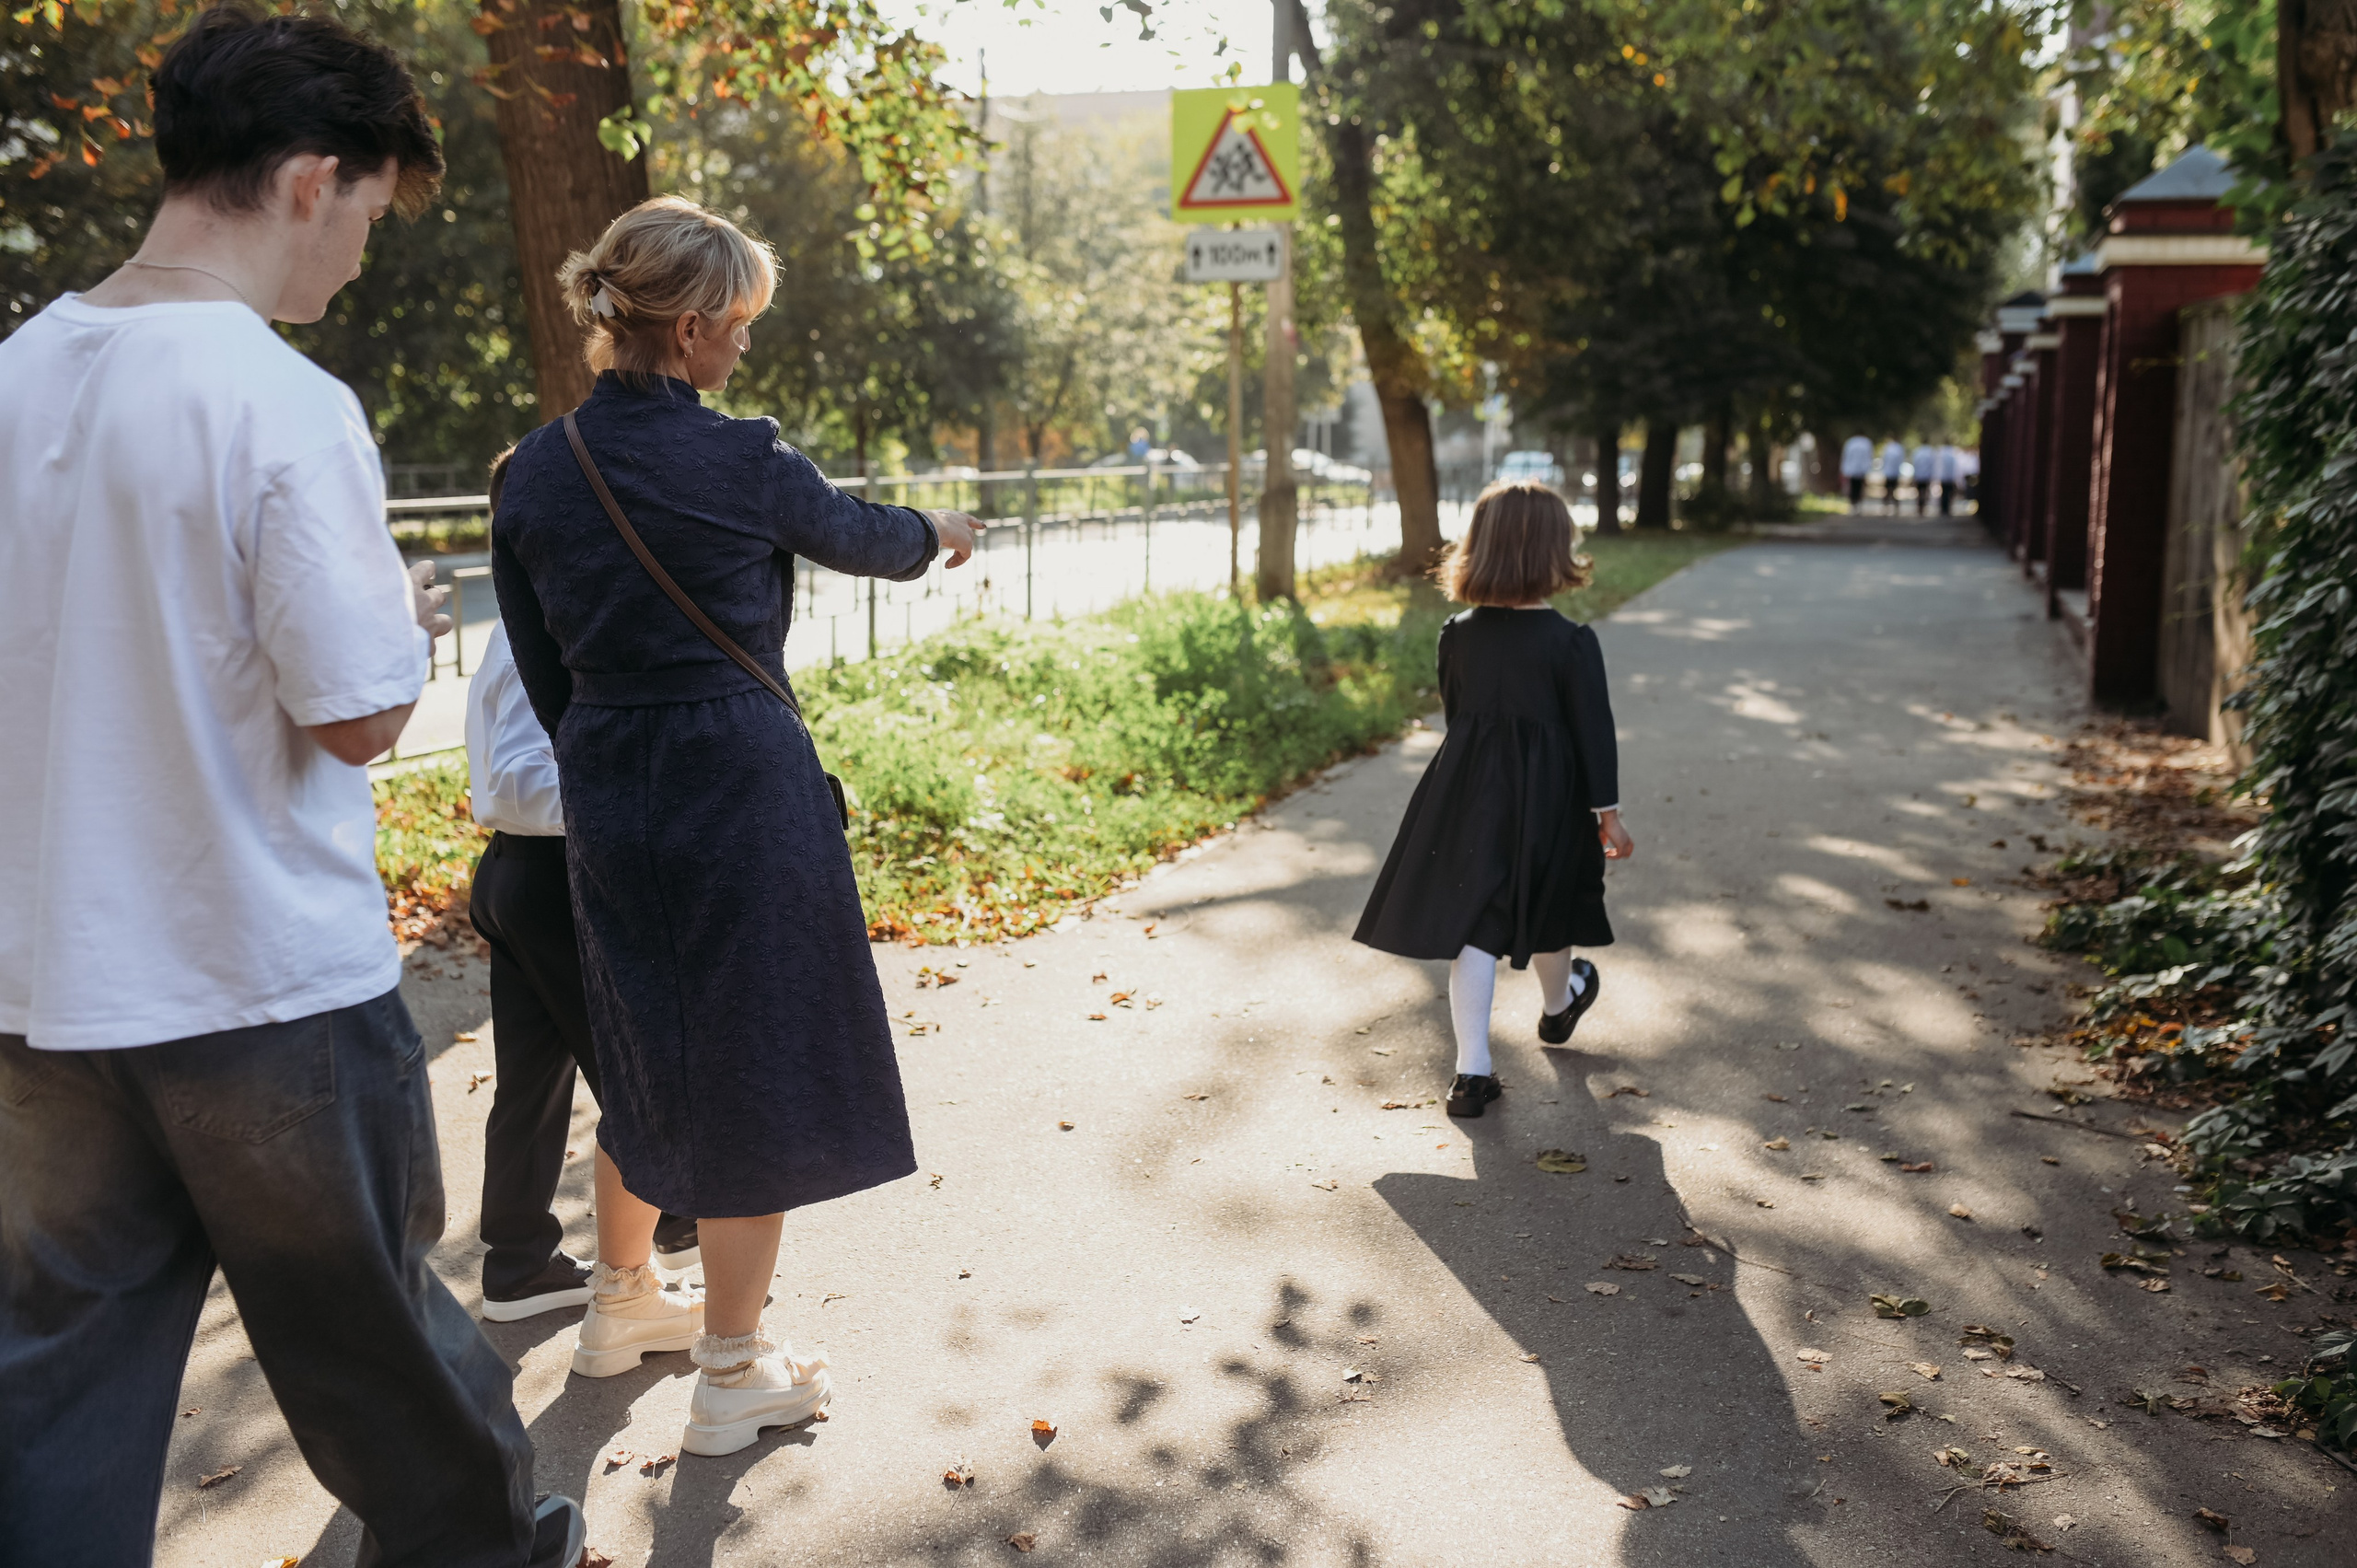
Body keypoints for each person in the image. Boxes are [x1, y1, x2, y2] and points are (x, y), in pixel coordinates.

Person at [0, 7, 581, 1564]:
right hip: (256, 985)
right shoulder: (275, 400)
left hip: (41, 990)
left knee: (53, 1387)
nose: (361, 257)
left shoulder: (13, 375)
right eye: (373, 218)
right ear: (311, 178)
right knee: (385, 1361)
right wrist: (406, 610)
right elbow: (357, 717)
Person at [493, 196, 986, 1458]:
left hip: (607, 772)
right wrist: (942, 532)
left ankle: (621, 1305)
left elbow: (541, 664)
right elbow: (869, 542)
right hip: (738, 775)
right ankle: (730, 1366)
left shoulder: (536, 470)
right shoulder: (745, 457)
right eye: (743, 326)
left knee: (643, 1037)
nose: (746, 351)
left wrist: (606, 742)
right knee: (748, 1064)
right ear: (697, 325)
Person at [464, 552, 701, 1324]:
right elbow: (526, 778)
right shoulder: (545, 626)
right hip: (552, 868)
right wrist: (637, 797)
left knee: (531, 1081)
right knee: (640, 1070)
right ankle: (675, 1231)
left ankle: (518, 1260)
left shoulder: (513, 621)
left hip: (510, 871)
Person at [1351, 482, 1635, 1121]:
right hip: (1551, 799)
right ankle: (1560, 1006)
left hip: (1469, 795)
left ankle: (1471, 1072)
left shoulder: (1457, 634)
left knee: (1475, 926)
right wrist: (1607, 813)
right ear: (1553, 554)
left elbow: (1460, 715)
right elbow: (1594, 733)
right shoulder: (1570, 643)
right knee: (1550, 909)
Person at [1839, 433, 1873, 510]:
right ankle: (1857, 504)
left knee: (1854, 487)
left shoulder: (1851, 443)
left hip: (1852, 470)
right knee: (1858, 487)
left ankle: (1854, 504)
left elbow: (1846, 456)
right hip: (1860, 470)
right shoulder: (1866, 443)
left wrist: (1844, 469)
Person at [1911, 440, 1938, 516]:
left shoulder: (1918, 451)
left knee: (1920, 492)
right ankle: (1922, 507)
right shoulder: (1930, 452)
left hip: (1919, 475)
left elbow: (1915, 464)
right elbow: (1933, 465)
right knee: (1925, 491)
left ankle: (1920, 507)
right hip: (1926, 476)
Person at [1879, 438, 1907, 511]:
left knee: (1889, 490)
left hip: (1890, 473)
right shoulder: (1898, 449)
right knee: (1892, 490)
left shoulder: (1888, 448)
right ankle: (1890, 505)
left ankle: (1887, 505)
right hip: (1893, 473)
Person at [1935, 443, 1962, 516]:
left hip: (1945, 478)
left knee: (1945, 493)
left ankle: (1944, 509)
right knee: (1948, 493)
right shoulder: (1952, 453)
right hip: (1950, 478)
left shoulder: (1942, 454)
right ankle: (1946, 509)